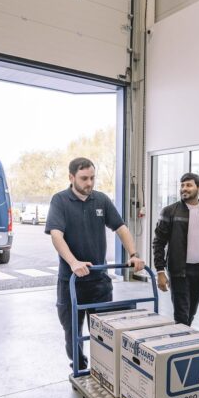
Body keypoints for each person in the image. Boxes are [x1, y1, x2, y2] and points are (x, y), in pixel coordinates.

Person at [45, 157, 144, 367]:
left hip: (98, 281)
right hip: (70, 282)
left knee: (103, 332)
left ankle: (102, 370)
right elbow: (56, 235)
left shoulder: (101, 200)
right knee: (72, 332)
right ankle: (79, 365)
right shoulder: (60, 200)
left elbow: (121, 227)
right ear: (71, 177)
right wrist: (73, 262)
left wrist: (133, 254)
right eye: (83, 178)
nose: (89, 183)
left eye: (92, 178)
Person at [152, 172, 199, 326]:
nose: (184, 188)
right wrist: (160, 271)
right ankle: (181, 345)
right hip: (178, 271)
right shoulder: (170, 211)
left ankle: (183, 341)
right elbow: (158, 243)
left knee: (191, 312)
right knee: (182, 314)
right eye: (182, 185)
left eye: (189, 185)